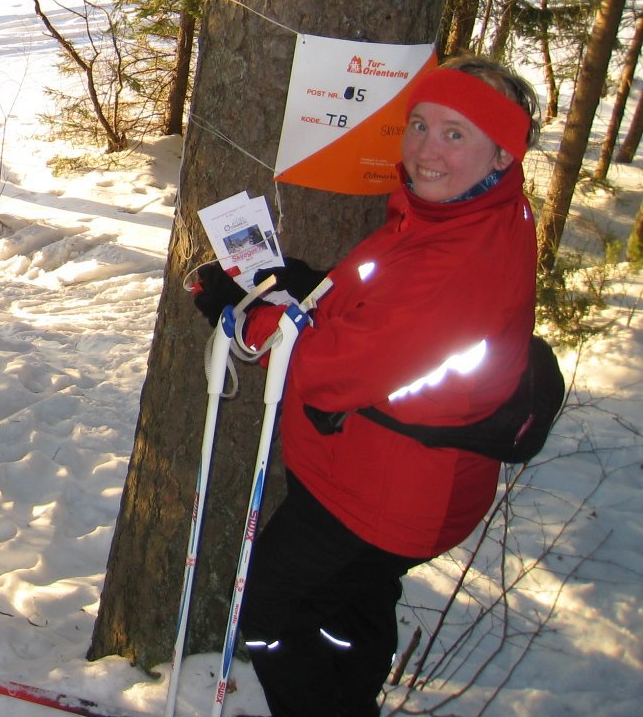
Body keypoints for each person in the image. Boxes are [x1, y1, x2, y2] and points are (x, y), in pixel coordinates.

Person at [189, 55, 540, 717]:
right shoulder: (467, 213)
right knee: (348, 609)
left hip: (377, 499)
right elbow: (391, 317)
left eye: (455, 134)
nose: (426, 150)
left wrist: (245, 316)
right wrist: (309, 287)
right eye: (420, 124)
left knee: (267, 613)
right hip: (399, 483)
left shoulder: (459, 257)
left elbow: (329, 371)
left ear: (502, 153)